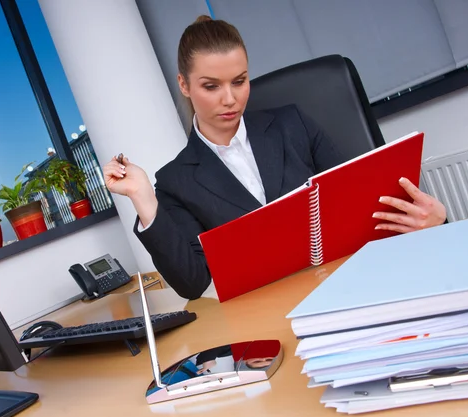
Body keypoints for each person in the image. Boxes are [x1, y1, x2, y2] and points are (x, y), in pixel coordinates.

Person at [102, 16, 447, 300]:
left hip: (350, 284)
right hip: (272, 313)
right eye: (211, 86)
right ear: (184, 85)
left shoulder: (290, 124)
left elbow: (365, 201)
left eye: (239, 81)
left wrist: (434, 223)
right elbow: (191, 283)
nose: (230, 99)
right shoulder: (177, 181)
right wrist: (143, 198)